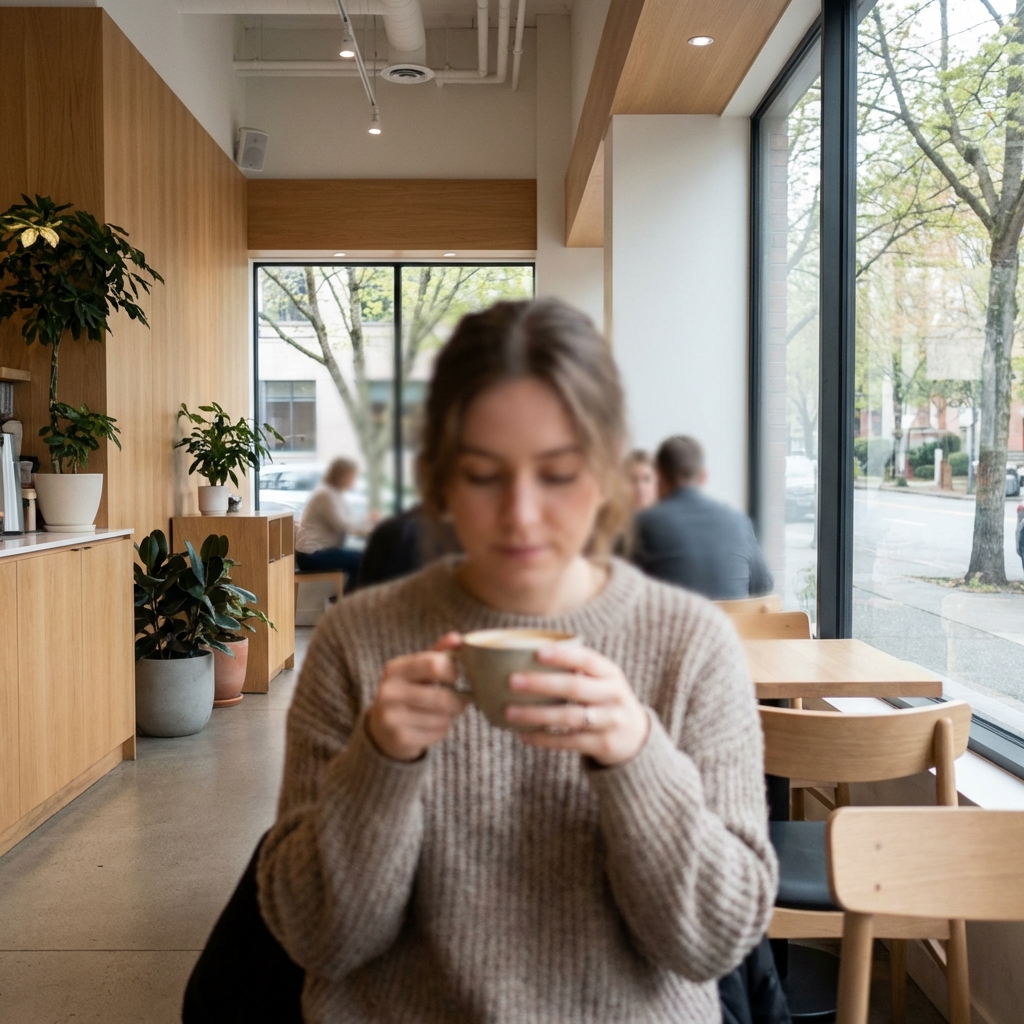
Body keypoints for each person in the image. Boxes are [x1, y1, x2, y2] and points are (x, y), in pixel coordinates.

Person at [256, 300, 777, 1024]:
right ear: (439, 478)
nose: (521, 514)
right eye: (482, 475)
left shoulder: (693, 644)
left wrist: (638, 757)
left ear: (608, 472)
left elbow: (715, 942)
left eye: (558, 474)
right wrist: (379, 762)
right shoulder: (357, 640)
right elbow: (319, 939)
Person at [633, 435, 773, 600]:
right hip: (730, 618)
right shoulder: (740, 523)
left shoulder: (642, 524)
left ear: (659, 478)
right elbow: (763, 586)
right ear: (703, 477)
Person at [294, 457, 363, 591]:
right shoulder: (326, 494)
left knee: (362, 558)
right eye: (352, 476)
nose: (354, 480)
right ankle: (348, 600)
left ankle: (347, 599)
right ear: (341, 475)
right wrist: (371, 525)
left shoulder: (334, 494)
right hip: (311, 556)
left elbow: (349, 521)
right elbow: (343, 525)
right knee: (362, 560)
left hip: (318, 553)